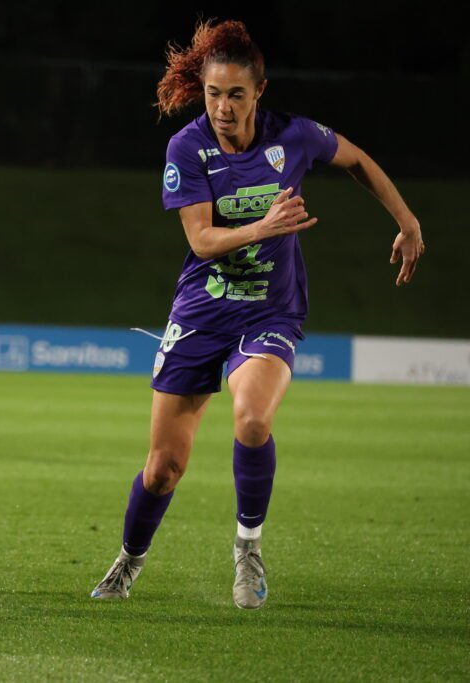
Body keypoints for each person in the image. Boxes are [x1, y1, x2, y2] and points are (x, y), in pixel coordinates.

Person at [91, 19, 425, 609]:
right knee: (164, 467)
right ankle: (128, 561)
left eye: (236, 94)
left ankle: (248, 548)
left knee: (251, 420)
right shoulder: (186, 148)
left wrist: (407, 220)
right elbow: (200, 240)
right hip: (201, 310)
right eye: (214, 93)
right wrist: (264, 227)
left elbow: (357, 160)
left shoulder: (291, 137)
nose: (222, 106)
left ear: (259, 92)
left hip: (270, 310)